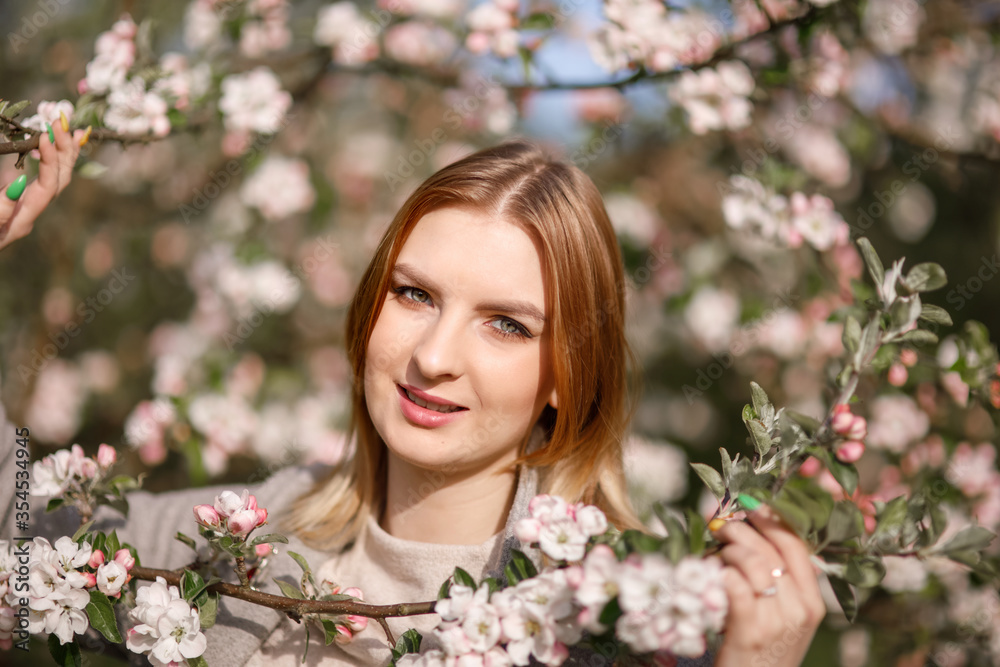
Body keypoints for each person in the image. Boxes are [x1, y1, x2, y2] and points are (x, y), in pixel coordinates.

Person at [0, 129, 825, 666]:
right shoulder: (249, 534)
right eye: (415, 294)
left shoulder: (614, 620)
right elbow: (18, 525)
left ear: (569, 374)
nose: (433, 356)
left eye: (505, 324)